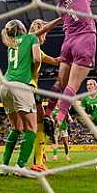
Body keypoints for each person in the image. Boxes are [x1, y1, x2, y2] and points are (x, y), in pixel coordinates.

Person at [34, 0, 97, 142]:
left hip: (68, 43)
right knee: (72, 87)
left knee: (61, 85)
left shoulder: (60, 6)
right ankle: (58, 120)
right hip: (85, 40)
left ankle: (48, 112)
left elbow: (82, 7)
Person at [0, 19, 41, 177]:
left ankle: (4, 166)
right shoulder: (31, 38)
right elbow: (37, 59)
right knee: (31, 128)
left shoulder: (12, 42)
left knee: (16, 127)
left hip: (4, 86)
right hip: (21, 85)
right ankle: (20, 166)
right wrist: (34, 73)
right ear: (23, 28)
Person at [26, 18, 61, 172]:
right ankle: (37, 161)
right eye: (44, 33)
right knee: (41, 122)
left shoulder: (33, 47)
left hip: (23, 87)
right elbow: (38, 60)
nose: (45, 37)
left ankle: (37, 158)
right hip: (28, 87)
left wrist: (69, 56)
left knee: (27, 125)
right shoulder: (31, 44)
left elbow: (54, 61)